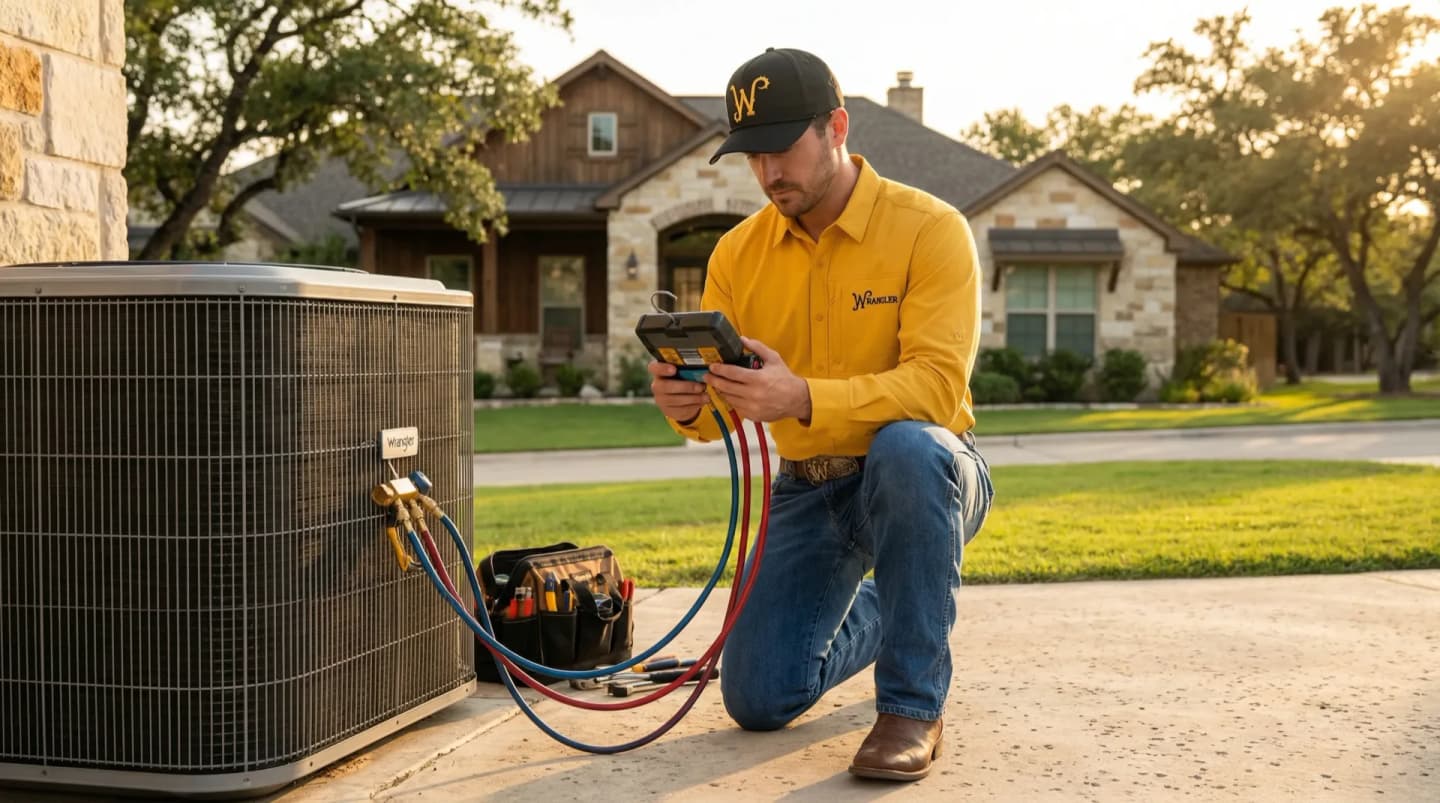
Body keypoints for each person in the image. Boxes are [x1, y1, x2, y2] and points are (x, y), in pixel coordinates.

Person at [646, 47, 994, 782]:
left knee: (908, 448)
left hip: (931, 475)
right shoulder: (737, 255)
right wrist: (687, 405)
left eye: (783, 147)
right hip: (810, 484)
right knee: (757, 697)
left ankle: (912, 708)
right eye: (753, 154)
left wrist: (803, 397)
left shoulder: (931, 229)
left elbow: (936, 389)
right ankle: (907, 601)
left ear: (836, 127)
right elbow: (719, 413)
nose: (769, 171)